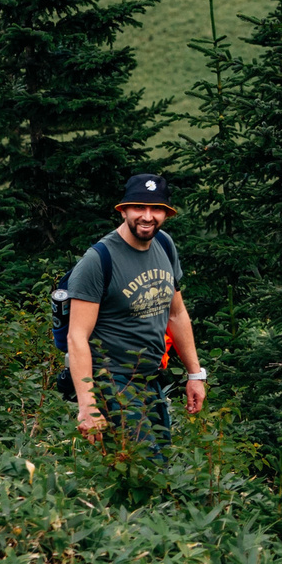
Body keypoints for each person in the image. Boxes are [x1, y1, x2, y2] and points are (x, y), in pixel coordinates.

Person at [64, 172, 207, 453]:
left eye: (156, 209)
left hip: (150, 378)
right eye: (139, 207)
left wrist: (195, 375)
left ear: (166, 213)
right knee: (146, 464)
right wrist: (87, 405)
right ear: (123, 210)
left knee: (162, 460)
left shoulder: (164, 245)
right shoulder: (98, 260)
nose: (147, 216)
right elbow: (76, 337)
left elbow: (176, 314)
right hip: (112, 380)